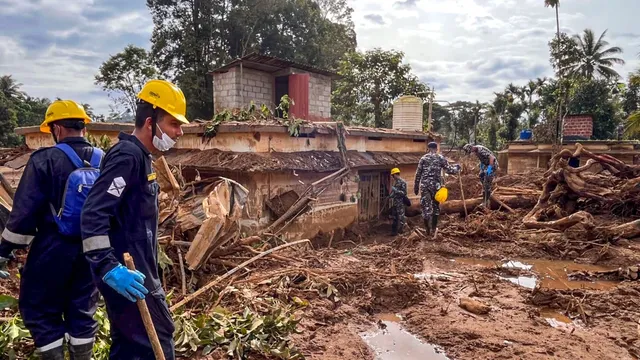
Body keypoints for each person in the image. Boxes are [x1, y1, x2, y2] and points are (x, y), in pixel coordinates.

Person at [81, 79, 188, 360]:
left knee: (129, 348)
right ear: (151, 122)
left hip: (139, 272)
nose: (179, 132)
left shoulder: (142, 157)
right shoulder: (127, 157)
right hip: (128, 277)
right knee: (155, 342)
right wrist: (109, 268)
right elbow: (93, 214)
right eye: (174, 124)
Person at [0, 100, 102, 360]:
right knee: (83, 309)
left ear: (56, 128)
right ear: (83, 128)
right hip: (93, 251)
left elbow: (24, 213)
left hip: (51, 250)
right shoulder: (105, 160)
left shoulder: (44, 160)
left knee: (40, 308)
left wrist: (5, 250)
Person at [414, 142, 460, 237]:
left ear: (428, 148)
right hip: (436, 186)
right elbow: (449, 170)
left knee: (426, 207)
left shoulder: (423, 158)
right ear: (436, 148)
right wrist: (457, 168)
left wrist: (416, 187)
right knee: (435, 207)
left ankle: (427, 229)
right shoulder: (440, 158)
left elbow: (418, 174)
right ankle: (433, 228)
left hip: (425, 186)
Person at [462, 144, 498, 208]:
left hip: (492, 165)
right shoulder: (476, 150)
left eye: (471, 151)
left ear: (472, 148)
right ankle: (486, 189)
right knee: (481, 176)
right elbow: (482, 159)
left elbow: (492, 158)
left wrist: (489, 169)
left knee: (487, 180)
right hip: (486, 165)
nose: (472, 153)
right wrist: (482, 167)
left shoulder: (480, 150)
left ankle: (486, 201)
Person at [389, 167, 407, 236]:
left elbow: (404, 193)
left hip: (401, 203)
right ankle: (394, 232)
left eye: (393, 175)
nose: (393, 177)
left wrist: (396, 191)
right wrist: (391, 196)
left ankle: (402, 232)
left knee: (401, 218)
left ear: (396, 174)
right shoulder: (395, 182)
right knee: (395, 218)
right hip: (395, 202)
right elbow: (394, 193)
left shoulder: (403, 182)